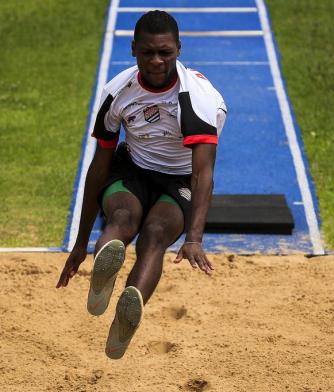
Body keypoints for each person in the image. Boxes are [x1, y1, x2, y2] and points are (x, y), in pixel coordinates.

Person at [56, 10, 226, 359]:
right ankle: (105, 268)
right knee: (121, 218)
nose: (156, 60)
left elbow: (202, 175)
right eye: (147, 52)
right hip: (133, 169)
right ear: (133, 49)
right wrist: (80, 242)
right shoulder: (118, 91)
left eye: (165, 52)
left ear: (179, 49)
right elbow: (98, 168)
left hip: (179, 179)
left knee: (156, 234)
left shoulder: (198, 99)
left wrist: (194, 238)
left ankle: (126, 314)